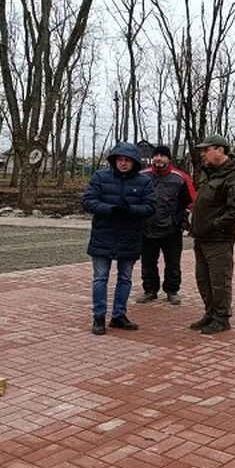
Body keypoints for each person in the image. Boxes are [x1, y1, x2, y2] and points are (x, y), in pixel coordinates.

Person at [82, 142, 156, 335]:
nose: (123, 163)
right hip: (103, 235)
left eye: (127, 160)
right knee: (100, 279)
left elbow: (150, 207)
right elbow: (88, 201)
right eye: (120, 160)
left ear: (134, 162)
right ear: (114, 161)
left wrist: (130, 210)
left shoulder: (144, 182)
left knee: (125, 278)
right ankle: (98, 317)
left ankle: (119, 315)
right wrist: (110, 209)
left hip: (129, 236)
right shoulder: (100, 177)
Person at [188, 133, 235, 335]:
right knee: (203, 280)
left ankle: (222, 318)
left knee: (219, 280)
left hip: (219, 239)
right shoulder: (210, 173)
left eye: (207, 150)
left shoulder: (234, 176)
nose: (203, 154)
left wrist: (213, 224)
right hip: (202, 238)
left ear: (220, 150)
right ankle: (210, 313)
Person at [136, 144, 196, 305]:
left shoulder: (180, 177)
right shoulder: (142, 176)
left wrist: (181, 224)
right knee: (148, 262)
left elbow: (191, 203)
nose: (159, 158)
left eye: (163, 155)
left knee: (173, 263)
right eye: (156, 155)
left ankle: (172, 290)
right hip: (147, 229)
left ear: (169, 158)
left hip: (172, 230)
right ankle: (150, 290)